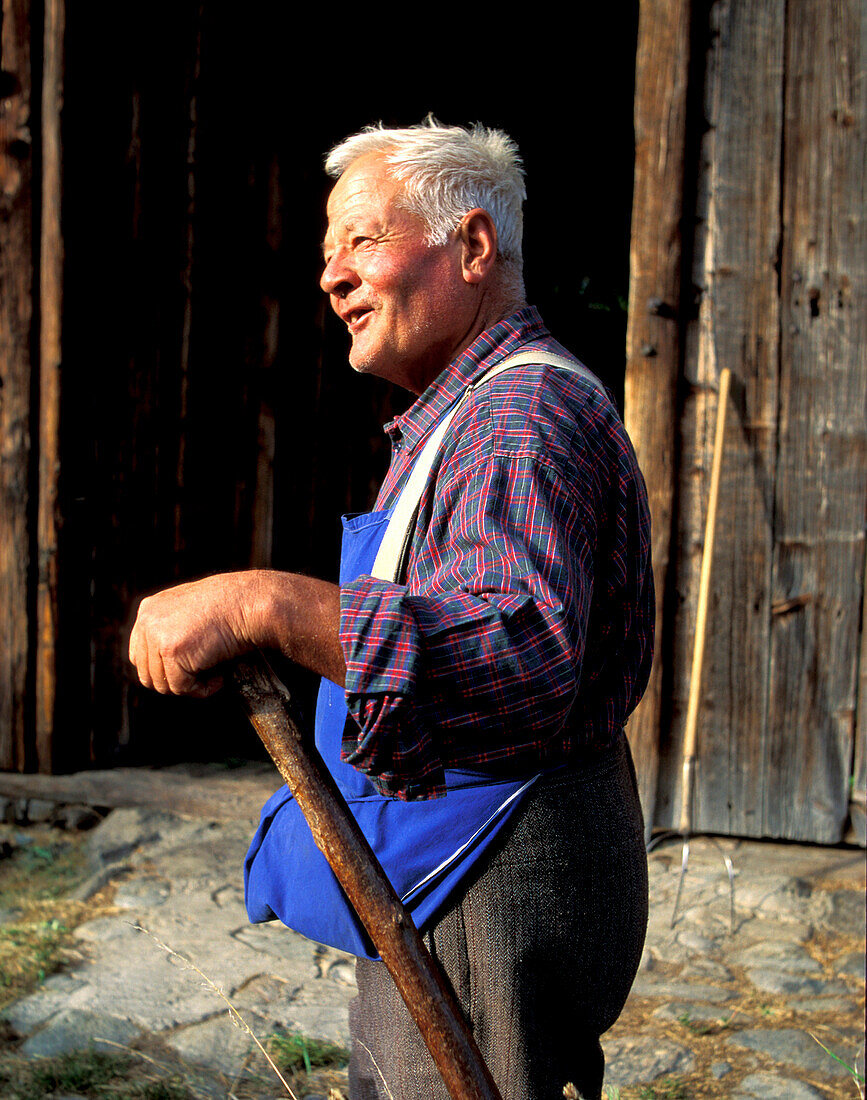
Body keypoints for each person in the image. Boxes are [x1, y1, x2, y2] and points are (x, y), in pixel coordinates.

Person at [130, 117, 654, 1100]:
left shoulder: (517, 417)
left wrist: (265, 603)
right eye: (329, 250)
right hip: (455, 866)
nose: (331, 276)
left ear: (472, 246)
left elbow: (518, 655)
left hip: (488, 873)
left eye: (363, 240)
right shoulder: (462, 414)